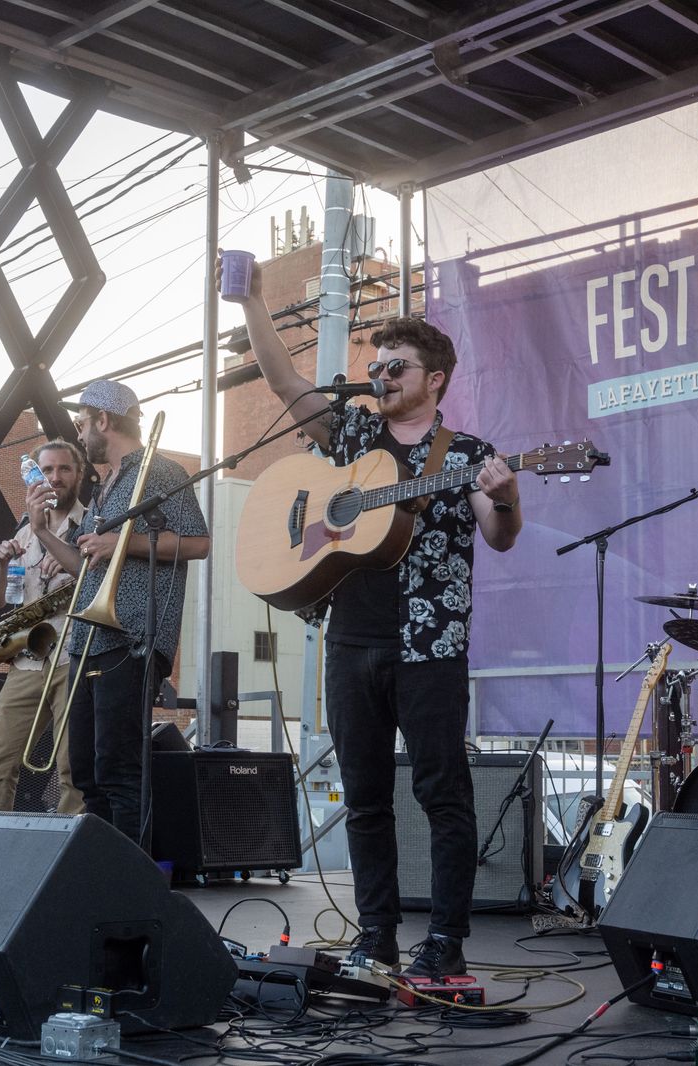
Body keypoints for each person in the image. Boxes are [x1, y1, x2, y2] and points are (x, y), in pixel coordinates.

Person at [223, 254, 523, 979]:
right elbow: (284, 383)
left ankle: (445, 940)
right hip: (351, 641)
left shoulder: (467, 454)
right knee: (364, 800)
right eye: (377, 366)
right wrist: (253, 304)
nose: (381, 375)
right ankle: (376, 935)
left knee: (442, 796)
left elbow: (499, 534)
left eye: (396, 367)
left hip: (430, 647)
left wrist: (508, 496)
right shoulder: (354, 438)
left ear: (435, 380)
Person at [27, 381, 210, 846]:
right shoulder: (105, 486)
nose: (80, 433)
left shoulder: (160, 470)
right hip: (89, 640)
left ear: (104, 420)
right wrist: (42, 532)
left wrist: (120, 543)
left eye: (82, 423)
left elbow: (198, 543)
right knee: (87, 774)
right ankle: (103, 870)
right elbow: (85, 567)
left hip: (131, 639)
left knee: (119, 771)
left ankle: (128, 879)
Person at [0, 439, 87, 816]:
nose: (55, 478)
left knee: (71, 767)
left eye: (64, 469)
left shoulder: (92, 524)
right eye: (47, 470)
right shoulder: (24, 532)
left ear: (79, 474)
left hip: (71, 656)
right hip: (28, 660)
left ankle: (69, 844)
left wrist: (46, 533)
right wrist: (0, 564)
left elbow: (94, 579)